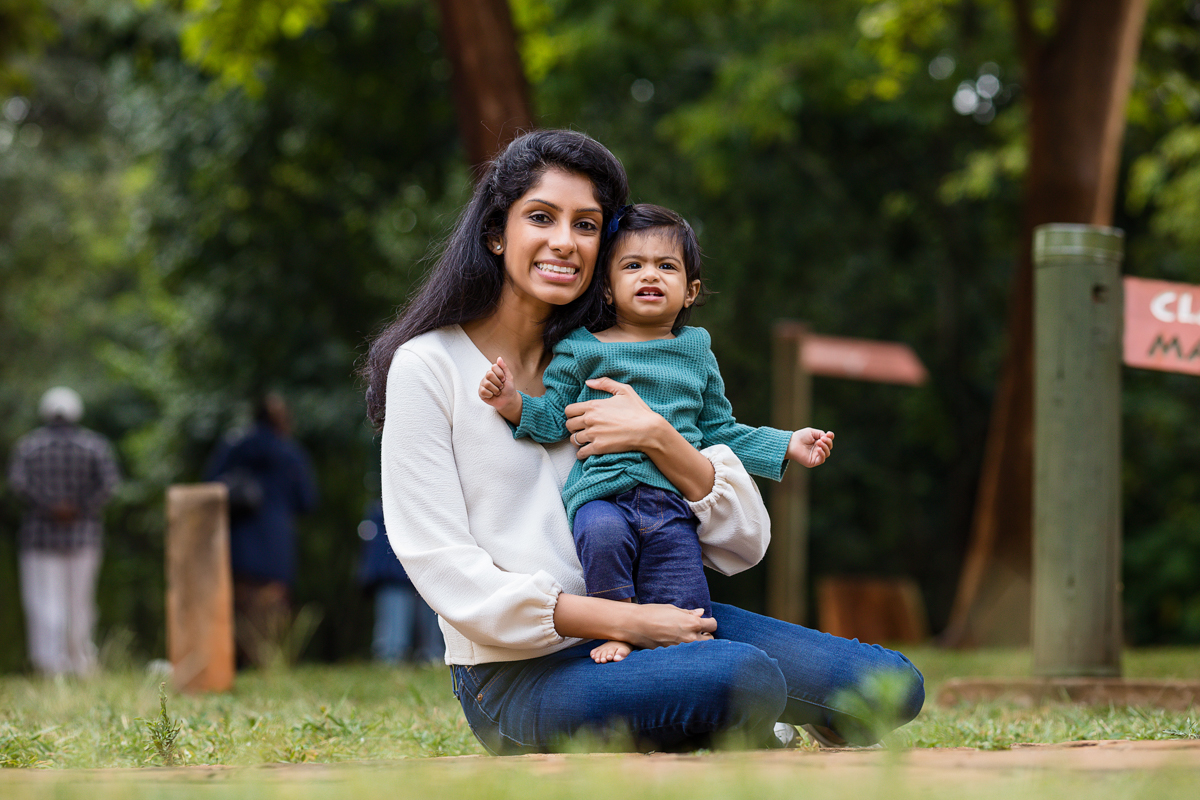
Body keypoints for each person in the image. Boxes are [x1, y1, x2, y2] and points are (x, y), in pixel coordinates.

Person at [362, 129, 923, 754]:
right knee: (743, 676)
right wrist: (628, 621)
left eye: (587, 224)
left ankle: (708, 716)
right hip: (518, 674)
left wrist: (658, 437)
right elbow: (443, 566)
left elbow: (743, 544)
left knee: (890, 684)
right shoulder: (428, 367)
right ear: (498, 233)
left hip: (660, 609)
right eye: (541, 218)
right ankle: (717, 717)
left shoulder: (616, 356)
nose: (563, 242)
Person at [478, 203, 835, 664]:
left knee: (687, 608)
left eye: (666, 266)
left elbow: (719, 432)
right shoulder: (581, 348)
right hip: (601, 496)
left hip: (671, 506)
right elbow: (552, 418)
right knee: (600, 534)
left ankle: (694, 670)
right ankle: (617, 624)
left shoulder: (694, 351)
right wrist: (511, 402)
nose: (650, 275)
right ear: (607, 287)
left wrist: (785, 443)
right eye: (633, 265)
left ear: (690, 291)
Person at [7, 387, 120, 676]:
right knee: (80, 603)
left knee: (44, 603)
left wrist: (48, 506)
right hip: (83, 536)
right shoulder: (95, 445)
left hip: (39, 539)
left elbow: (18, 484)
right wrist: (79, 507)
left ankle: (49, 665)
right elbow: (109, 485)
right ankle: (80, 662)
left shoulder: (29, 446)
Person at [204, 393, 318, 667]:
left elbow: (208, 486)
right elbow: (307, 500)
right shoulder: (290, 453)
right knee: (270, 615)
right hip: (277, 547)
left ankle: (232, 664)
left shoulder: (235, 446)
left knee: (237, 608)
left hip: (239, 544)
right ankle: (267, 664)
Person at [357, 500, 445, 663]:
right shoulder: (383, 509)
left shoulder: (380, 509)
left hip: (422, 571)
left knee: (423, 636)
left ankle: (425, 658)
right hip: (396, 573)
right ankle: (394, 659)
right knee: (395, 638)